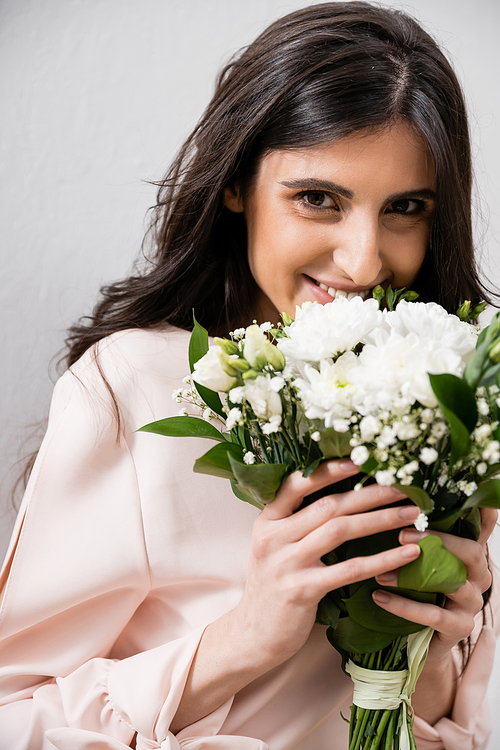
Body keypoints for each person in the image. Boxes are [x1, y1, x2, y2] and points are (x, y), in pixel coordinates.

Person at [0, 3, 498, 749]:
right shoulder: (137, 387)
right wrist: (242, 640)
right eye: (317, 199)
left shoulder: (460, 403)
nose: (364, 261)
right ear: (236, 185)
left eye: (405, 208)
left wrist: (423, 659)